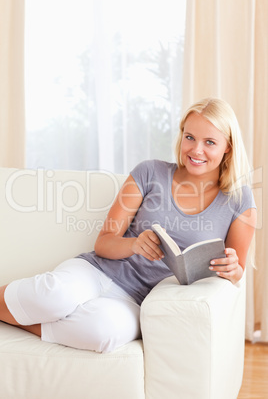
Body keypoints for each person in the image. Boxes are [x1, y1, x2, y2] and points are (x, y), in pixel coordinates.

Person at [0, 97, 257, 353]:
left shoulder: (239, 199)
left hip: (138, 299)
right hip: (98, 271)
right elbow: (103, 243)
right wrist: (135, 244)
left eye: (209, 142)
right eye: (190, 137)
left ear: (228, 147)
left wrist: (233, 268)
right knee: (53, 297)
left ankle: (18, 319)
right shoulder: (150, 172)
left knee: (104, 334)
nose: (196, 150)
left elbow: (237, 270)